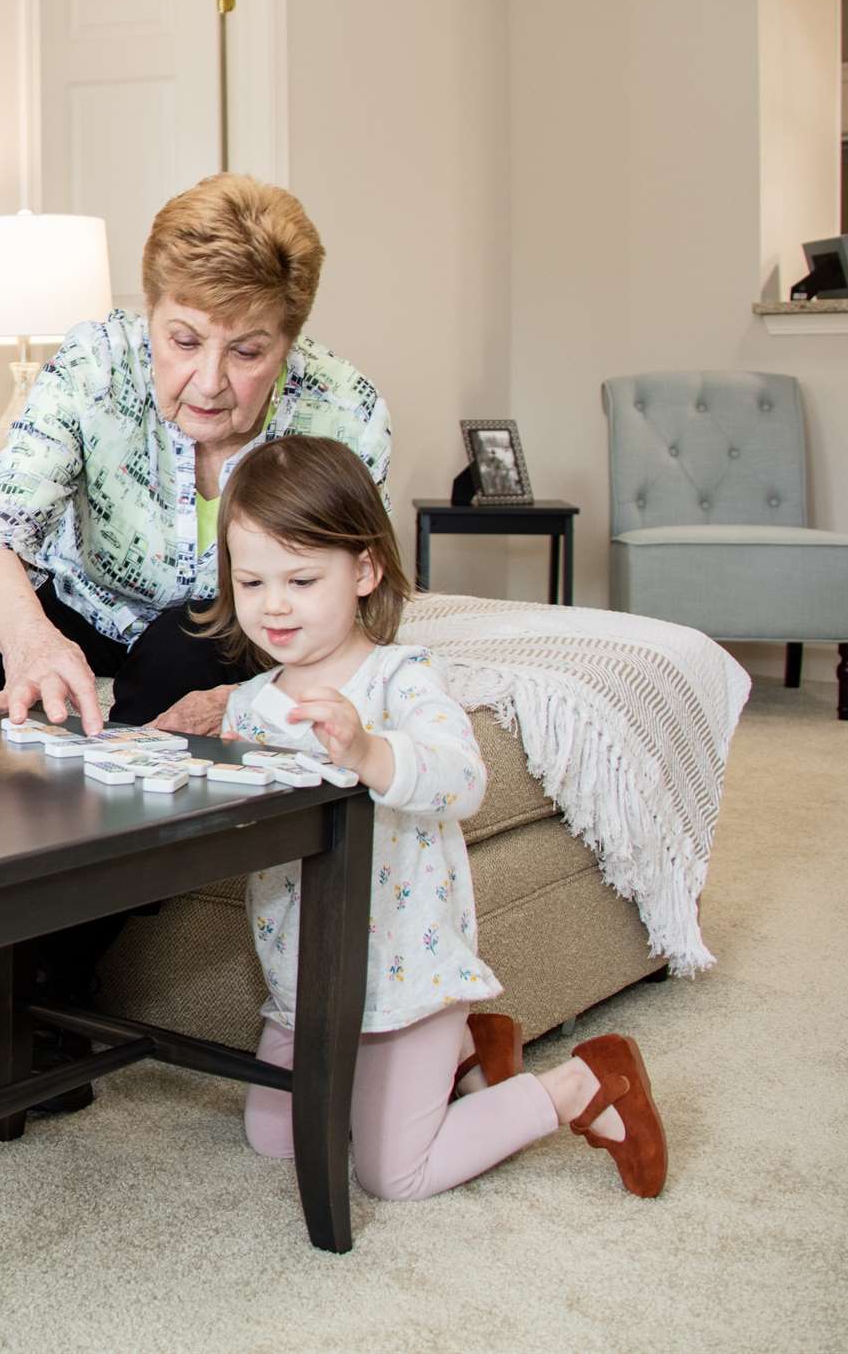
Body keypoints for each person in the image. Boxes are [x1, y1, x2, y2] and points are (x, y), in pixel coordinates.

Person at [0, 173, 393, 1090]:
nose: (208, 380)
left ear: (290, 339)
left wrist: (245, 695)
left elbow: (350, 605)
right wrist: (36, 642)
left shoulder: (344, 414)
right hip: (83, 594)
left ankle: (55, 973)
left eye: (247, 351)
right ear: (149, 312)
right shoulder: (92, 365)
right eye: (183, 339)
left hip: (216, 628)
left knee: (183, 649)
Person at [216, 435, 667, 1201]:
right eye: (251, 580)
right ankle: (467, 1054)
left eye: (300, 578)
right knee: (271, 1133)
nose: (274, 604)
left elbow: (462, 780)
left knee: (393, 1172)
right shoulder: (248, 703)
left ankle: (584, 1083)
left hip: (405, 972)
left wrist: (367, 749)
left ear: (364, 569)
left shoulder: (403, 675)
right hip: (308, 976)